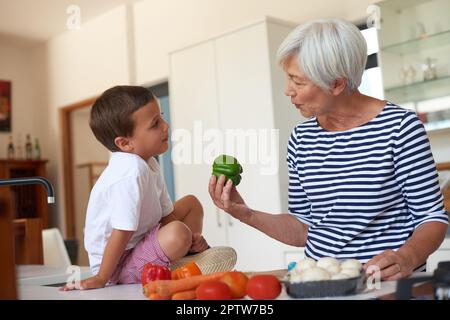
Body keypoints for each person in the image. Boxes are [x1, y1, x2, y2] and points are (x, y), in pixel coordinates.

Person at [209, 19, 448, 281]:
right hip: (322, 283)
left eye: (298, 82)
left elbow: (431, 217)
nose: (288, 90)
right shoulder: (301, 138)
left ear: (336, 84)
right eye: (288, 78)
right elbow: (304, 228)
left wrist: (407, 257)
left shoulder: (400, 127)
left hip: (384, 284)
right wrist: (247, 214)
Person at [61, 86, 235, 291]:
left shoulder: (149, 162)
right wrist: (101, 277)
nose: (165, 126)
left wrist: (190, 240)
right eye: (155, 124)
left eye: (161, 117)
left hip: (142, 241)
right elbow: (122, 231)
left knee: (191, 204)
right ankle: (175, 262)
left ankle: (185, 255)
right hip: (118, 264)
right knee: (178, 232)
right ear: (125, 143)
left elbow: (166, 215)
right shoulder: (129, 171)